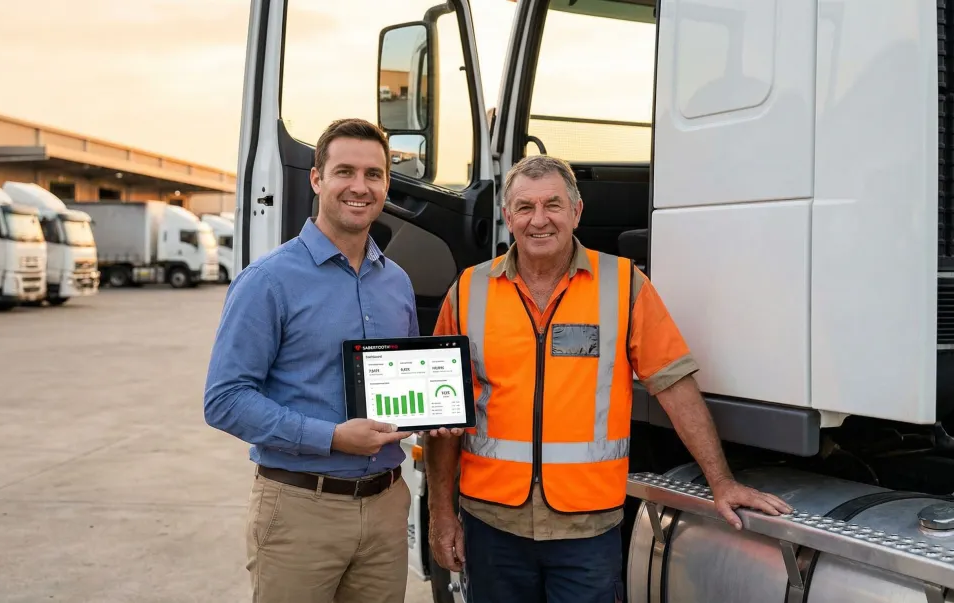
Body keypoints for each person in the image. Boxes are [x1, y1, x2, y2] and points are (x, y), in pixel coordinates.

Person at [423, 154, 793, 603]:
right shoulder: (468, 290)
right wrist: (441, 514)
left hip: (587, 528)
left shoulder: (623, 284)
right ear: (507, 215)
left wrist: (721, 481)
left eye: (553, 205)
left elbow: (674, 385)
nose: (539, 219)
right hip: (492, 527)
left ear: (576, 211)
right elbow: (443, 414)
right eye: (524, 207)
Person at [203, 117, 452, 603]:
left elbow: (404, 383)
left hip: (386, 508)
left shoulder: (396, 281)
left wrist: (433, 411)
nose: (360, 187)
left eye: (374, 174)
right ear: (317, 179)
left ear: (387, 184)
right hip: (301, 510)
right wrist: (332, 437)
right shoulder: (268, 280)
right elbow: (225, 400)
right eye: (345, 172)